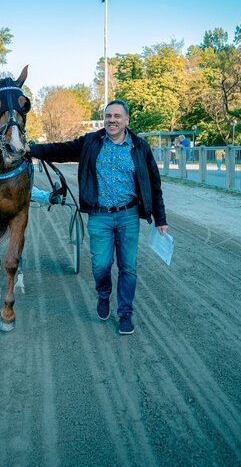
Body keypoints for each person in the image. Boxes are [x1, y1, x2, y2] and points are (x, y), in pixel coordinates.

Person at [29, 99, 168, 336]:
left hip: (128, 216)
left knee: (128, 267)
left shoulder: (139, 147)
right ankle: (104, 296)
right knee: (101, 265)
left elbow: (154, 184)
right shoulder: (91, 142)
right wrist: (31, 149)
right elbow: (61, 150)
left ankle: (125, 313)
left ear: (126, 120)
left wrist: (161, 218)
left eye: (117, 116)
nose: (112, 120)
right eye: (108, 116)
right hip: (100, 216)